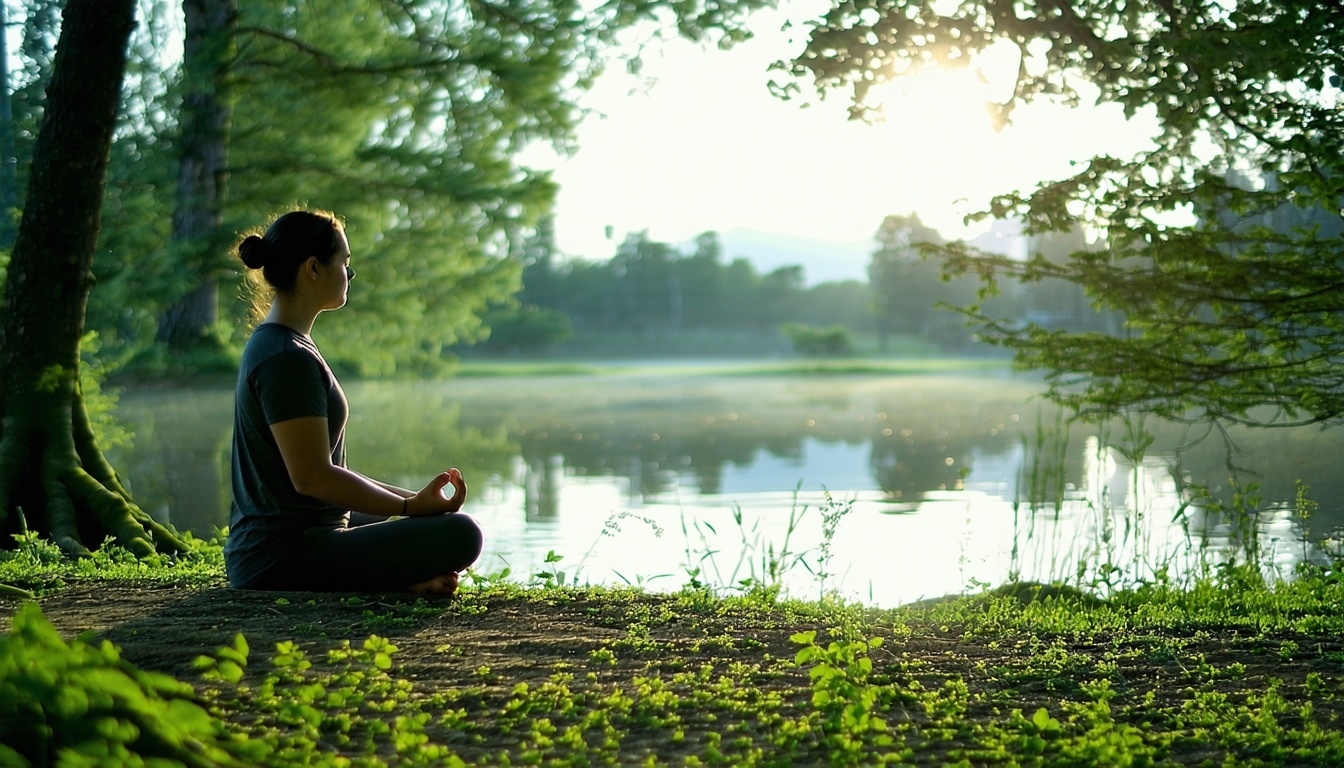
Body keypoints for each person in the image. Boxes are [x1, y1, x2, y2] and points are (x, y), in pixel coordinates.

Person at [224, 209, 482, 595]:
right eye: (344, 263)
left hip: (304, 535)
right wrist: (409, 509)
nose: (350, 274)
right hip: (280, 555)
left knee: (433, 525)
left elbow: (322, 480)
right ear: (313, 268)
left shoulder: (287, 344)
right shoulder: (284, 356)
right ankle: (399, 584)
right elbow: (312, 477)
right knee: (461, 534)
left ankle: (400, 581)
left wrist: (411, 500)